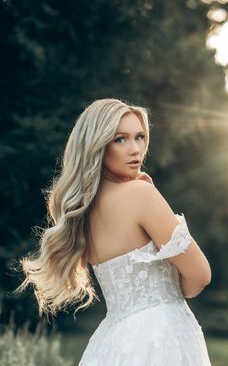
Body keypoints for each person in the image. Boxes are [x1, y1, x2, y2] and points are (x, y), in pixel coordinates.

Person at [16, 98, 212, 365]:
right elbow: (200, 275)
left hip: (113, 342)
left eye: (140, 137)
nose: (135, 149)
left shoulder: (82, 214)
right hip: (161, 334)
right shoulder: (141, 194)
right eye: (120, 139)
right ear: (97, 145)